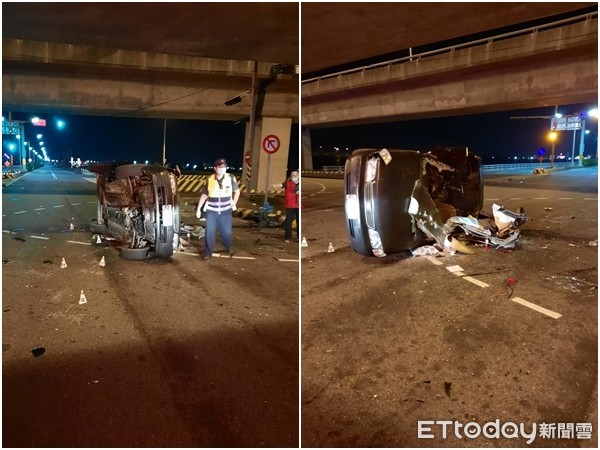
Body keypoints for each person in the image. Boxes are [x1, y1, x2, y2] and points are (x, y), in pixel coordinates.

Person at [197, 158, 240, 259]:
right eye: (220, 167)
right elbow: (204, 195)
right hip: (212, 211)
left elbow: (237, 191)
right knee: (209, 232)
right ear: (215, 168)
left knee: (227, 232)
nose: (222, 169)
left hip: (226, 211)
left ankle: (228, 246)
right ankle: (208, 253)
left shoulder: (230, 178)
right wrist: (199, 208)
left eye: (224, 167)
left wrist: (234, 202)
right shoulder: (209, 180)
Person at [272, 170, 299, 243]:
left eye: (294, 175)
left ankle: (299, 238)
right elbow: (281, 185)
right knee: (288, 221)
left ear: (298, 176)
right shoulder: (288, 183)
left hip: (298, 205)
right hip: (290, 204)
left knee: (299, 221)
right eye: (292, 175)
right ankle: (287, 237)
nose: (293, 177)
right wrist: (275, 186)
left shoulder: (300, 184)